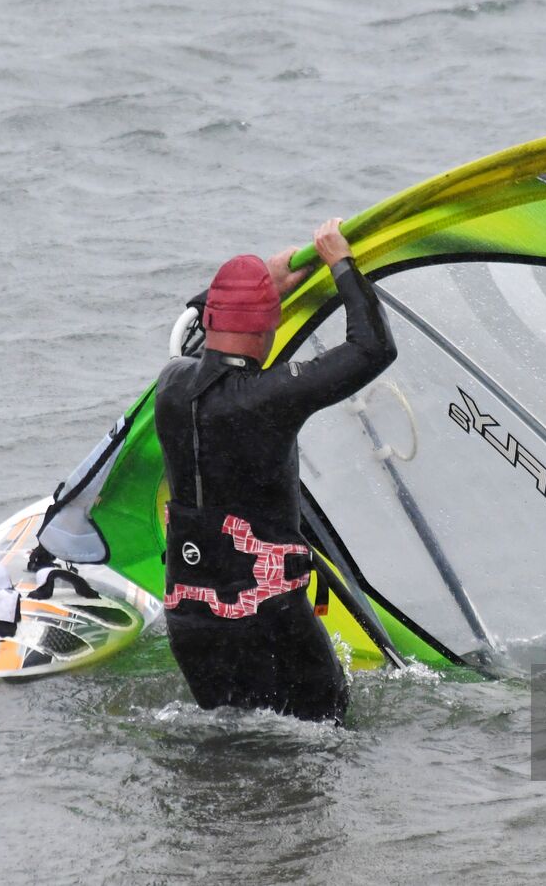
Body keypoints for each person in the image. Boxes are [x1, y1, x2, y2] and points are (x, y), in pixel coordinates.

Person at [154, 219, 397, 721]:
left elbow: (201, 323)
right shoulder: (267, 398)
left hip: (188, 618)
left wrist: (260, 277)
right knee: (325, 734)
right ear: (268, 330)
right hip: (267, 619)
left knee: (229, 742)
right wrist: (341, 264)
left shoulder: (171, 383)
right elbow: (373, 348)